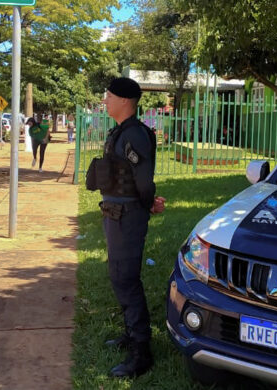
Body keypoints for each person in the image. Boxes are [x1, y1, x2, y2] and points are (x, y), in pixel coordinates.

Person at [85, 77, 164, 378]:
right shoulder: (119, 131)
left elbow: (143, 181)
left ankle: (141, 351)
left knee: (125, 278)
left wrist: (148, 203)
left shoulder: (136, 135)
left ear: (124, 101)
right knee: (120, 276)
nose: (104, 101)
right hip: (116, 213)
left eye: (108, 96)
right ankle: (131, 335)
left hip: (128, 215)